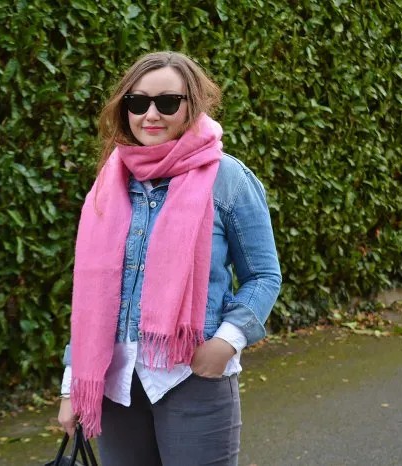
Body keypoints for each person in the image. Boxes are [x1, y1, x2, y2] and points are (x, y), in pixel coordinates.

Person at [57, 51, 282, 466]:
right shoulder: (111, 180)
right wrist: (74, 385)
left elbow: (264, 274)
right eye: (138, 103)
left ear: (191, 103)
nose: (151, 115)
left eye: (167, 102)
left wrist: (226, 343)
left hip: (191, 375)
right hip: (114, 384)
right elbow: (92, 295)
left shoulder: (226, 177)